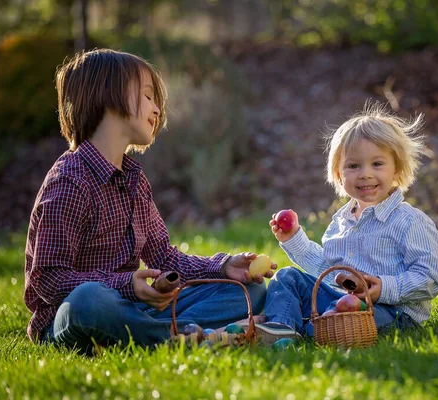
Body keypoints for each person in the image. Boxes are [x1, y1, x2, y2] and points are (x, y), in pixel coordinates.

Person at [23, 49, 274, 355]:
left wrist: (223, 266)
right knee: (89, 300)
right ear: (107, 94)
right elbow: (48, 280)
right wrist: (127, 284)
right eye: (147, 96)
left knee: (250, 289)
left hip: (136, 310)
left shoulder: (134, 181)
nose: (157, 110)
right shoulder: (70, 181)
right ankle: (185, 336)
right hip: (70, 319)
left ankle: (170, 335)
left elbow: (165, 259)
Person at [259, 102, 438, 340]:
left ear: (397, 169)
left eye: (377, 164)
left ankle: (312, 328)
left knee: (341, 314)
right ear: (338, 174)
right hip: (341, 301)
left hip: (392, 312)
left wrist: (383, 289)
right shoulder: (340, 222)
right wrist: (294, 238)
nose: (365, 173)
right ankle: (279, 328)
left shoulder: (410, 222)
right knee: (287, 277)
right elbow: (325, 271)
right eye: (353, 166)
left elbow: (430, 277)